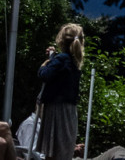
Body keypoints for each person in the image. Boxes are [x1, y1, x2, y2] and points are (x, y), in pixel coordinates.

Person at [37, 23, 85, 160]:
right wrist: (53, 58)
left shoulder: (62, 59)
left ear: (61, 40)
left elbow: (46, 75)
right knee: (63, 150)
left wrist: (44, 65)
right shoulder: (74, 61)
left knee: (52, 151)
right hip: (70, 110)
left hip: (57, 109)